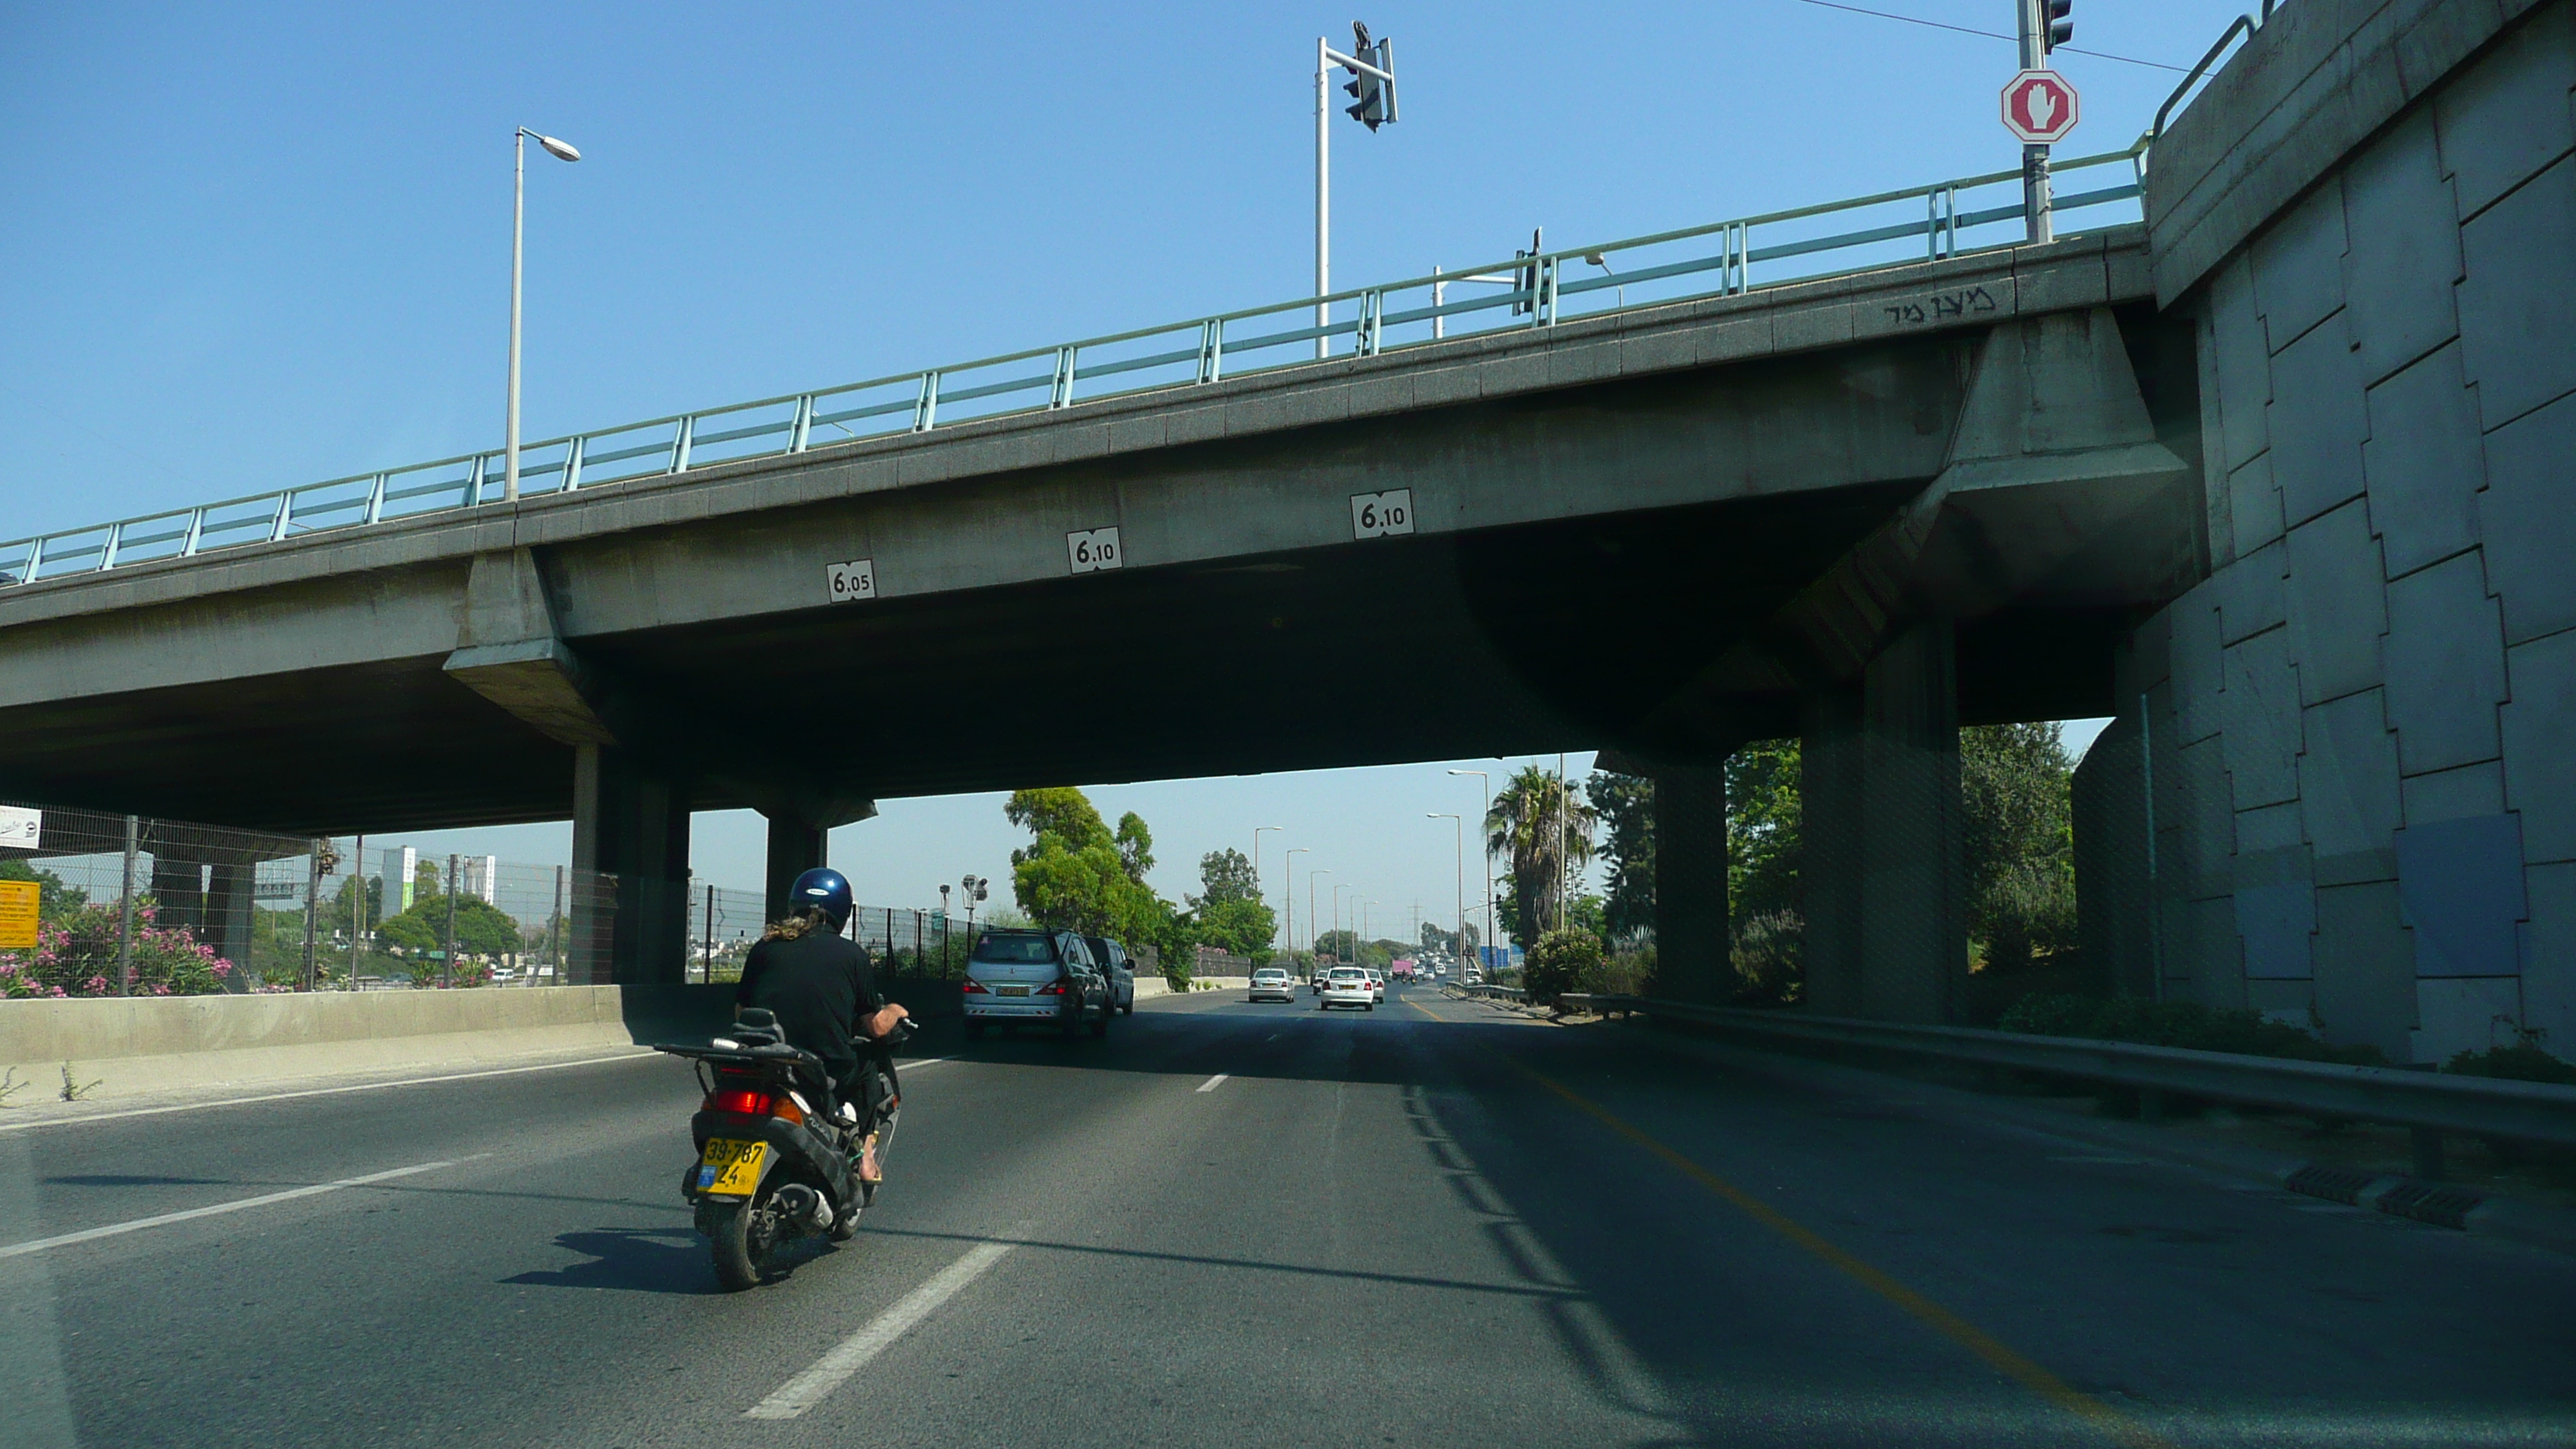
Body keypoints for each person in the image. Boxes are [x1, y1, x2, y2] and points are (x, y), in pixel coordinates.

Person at [734, 867, 909, 1184]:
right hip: (821, 1070)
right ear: (843, 911)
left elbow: (741, 1011)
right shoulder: (852, 955)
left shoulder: (764, 947)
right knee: (870, 1070)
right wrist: (895, 1010)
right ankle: (866, 1160)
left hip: (764, 1062)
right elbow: (877, 1028)